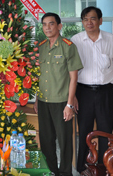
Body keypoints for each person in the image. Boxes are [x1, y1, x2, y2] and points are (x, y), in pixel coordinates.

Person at [70, 7, 113, 173]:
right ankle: (82, 166)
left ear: (100, 20)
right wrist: (73, 96)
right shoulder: (75, 40)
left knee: (106, 131)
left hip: (106, 91)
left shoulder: (110, 39)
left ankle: (104, 166)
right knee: (84, 130)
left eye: (92, 19)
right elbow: (71, 71)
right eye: (85, 19)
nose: (88, 22)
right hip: (83, 92)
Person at [34, 12, 83, 176]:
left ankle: (65, 173)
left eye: (51, 24)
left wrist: (69, 104)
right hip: (43, 101)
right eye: (44, 24)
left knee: (64, 141)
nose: (47, 27)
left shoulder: (68, 46)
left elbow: (73, 77)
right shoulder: (41, 47)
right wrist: (36, 99)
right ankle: (50, 171)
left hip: (61, 101)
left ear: (59, 26)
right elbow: (37, 76)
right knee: (46, 141)